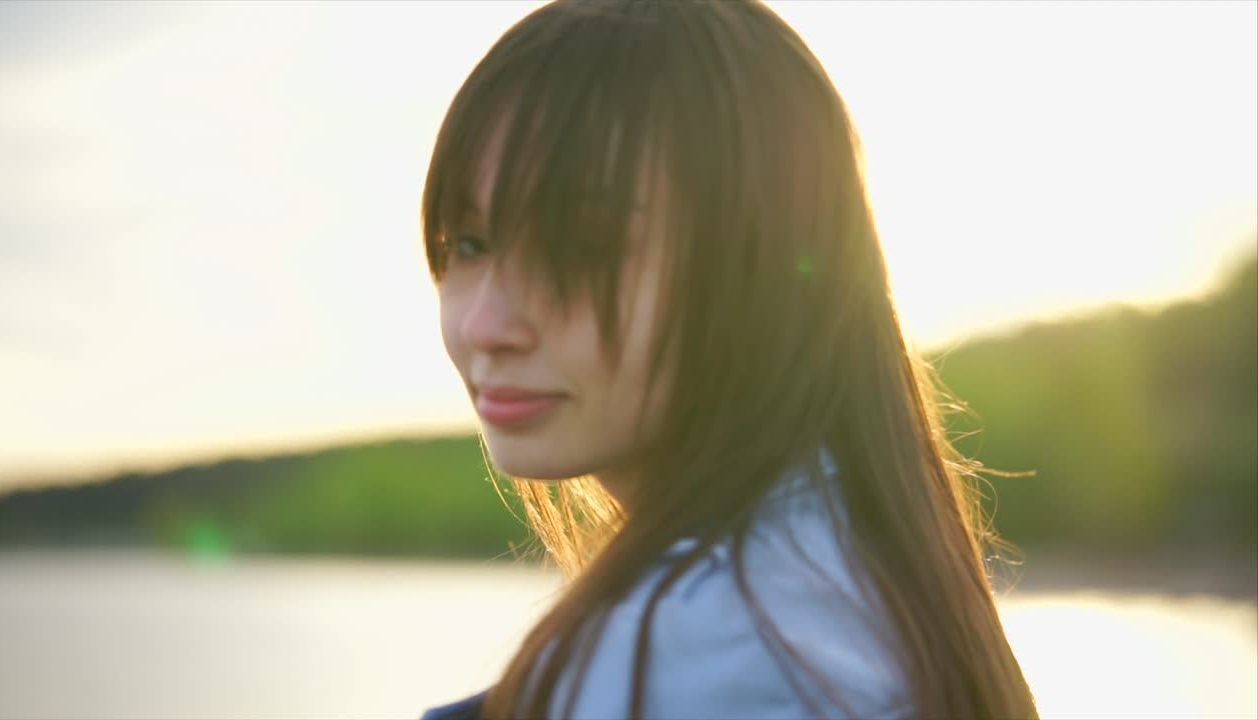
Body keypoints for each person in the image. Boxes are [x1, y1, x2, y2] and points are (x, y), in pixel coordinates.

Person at [419, 1, 1039, 718]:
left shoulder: (702, 653)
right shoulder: (852, 572)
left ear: (763, 267)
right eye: (468, 243)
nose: (487, 325)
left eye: (581, 245)